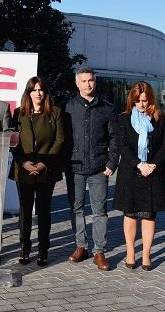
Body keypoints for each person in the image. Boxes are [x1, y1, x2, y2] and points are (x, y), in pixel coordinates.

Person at [113, 81, 165, 271]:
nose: (141, 105)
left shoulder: (162, 119)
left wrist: (153, 164)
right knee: (129, 214)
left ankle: (146, 253)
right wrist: (139, 164)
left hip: (153, 173)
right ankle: (131, 252)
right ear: (132, 100)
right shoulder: (123, 119)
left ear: (151, 99)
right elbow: (122, 145)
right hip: (130, 172)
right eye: (137, 101)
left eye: (145, 101)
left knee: (148, 215)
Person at [65, 67, 119, 270]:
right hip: (74, 166)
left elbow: (115, 137)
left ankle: (99, 251)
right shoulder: (68, 107)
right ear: (77, 83)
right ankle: (81, 246)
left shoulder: (107, 107)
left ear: (95, 82)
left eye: (91, 81)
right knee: (76, 208)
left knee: (99, 211)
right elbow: (64, 138)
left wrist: (112, 162)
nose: (88, 84)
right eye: (84, 81)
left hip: (99, 167)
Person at [11, 77, 64, 267]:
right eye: (34, 90)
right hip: (23, 169)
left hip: (46, 169)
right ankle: (25, 247)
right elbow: (13, 141)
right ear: (28, 93)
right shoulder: (19, 113)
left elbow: (59, 141)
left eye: (41, 89)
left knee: (43, 211)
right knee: (25, 211)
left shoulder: (55, 113)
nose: (38, 93)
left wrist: (43, 163)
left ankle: (43, 249)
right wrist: (23, 163)